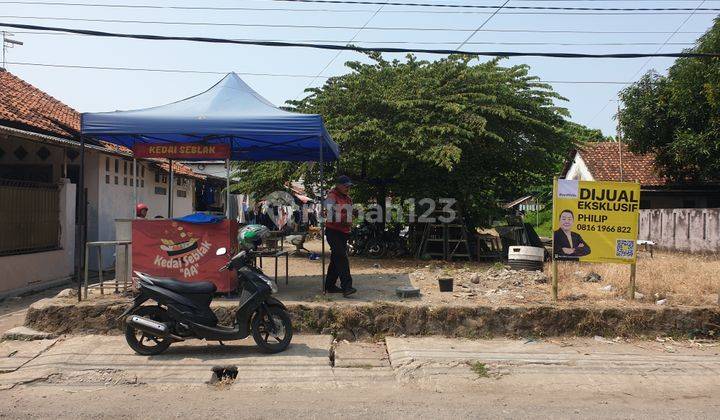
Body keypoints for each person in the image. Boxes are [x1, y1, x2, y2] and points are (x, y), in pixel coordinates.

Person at [324, 175, 356, 297]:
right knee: (342, 258)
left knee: (336, 259)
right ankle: (347, 287)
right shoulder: (331, 197)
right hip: (333, 232)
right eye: (345, 185)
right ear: (338, 185)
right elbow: (330, 215)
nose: (348, 188)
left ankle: (330, 286)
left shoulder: (348, 198)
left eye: (349, 186)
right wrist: (345, 218)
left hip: (343, 232)